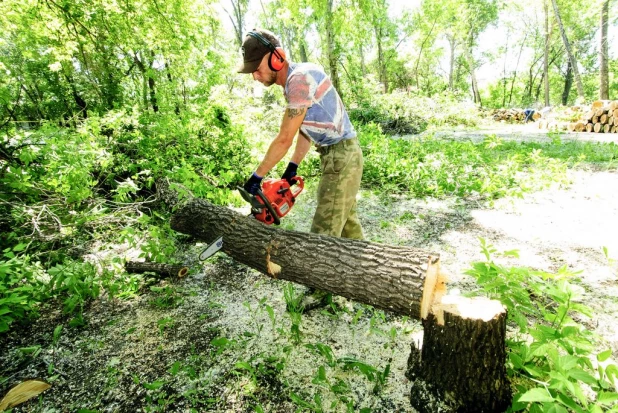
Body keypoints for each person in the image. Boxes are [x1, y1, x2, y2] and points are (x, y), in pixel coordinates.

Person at [238, 29, 364, 240]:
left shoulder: (299, 80)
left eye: (257, 68)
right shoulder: (293, 84)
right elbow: (304, 130)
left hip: (341, 156)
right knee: (347, 227)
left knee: (322, 236)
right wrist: (292, 166)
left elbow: (284, 138)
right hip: (339, 155)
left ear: (277, 58)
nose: (254, 76)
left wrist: (256, 177)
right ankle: (367, 269)